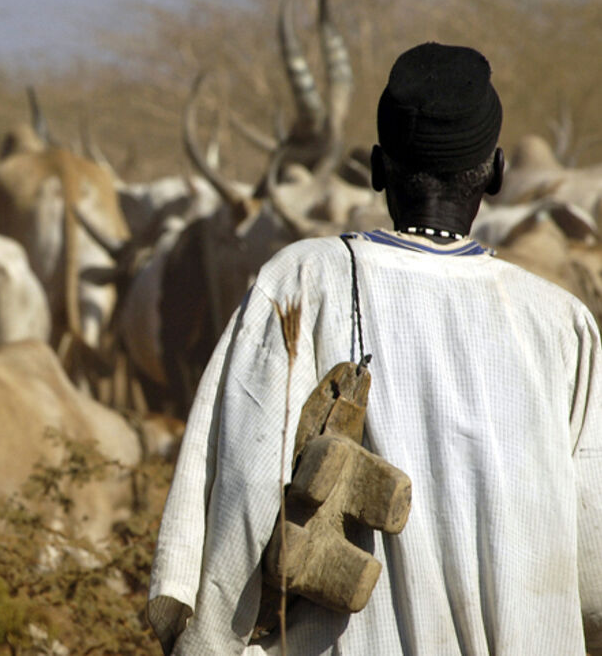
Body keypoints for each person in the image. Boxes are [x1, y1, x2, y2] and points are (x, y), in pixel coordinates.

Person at [148, 42, 602, 654]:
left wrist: (204, 643)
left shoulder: (303, 281)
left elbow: (242, 495)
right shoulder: (563, 324)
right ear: (496, 173)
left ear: (378, 169)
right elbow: (592, 570)